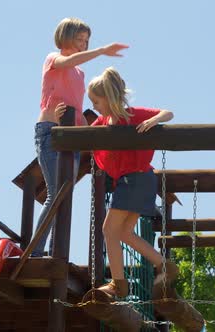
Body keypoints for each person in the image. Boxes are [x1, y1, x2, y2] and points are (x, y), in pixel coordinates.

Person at [69, 67, 177, 298]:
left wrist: (154, 120)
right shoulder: (103, 120)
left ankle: (119, 284)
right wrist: (66, 118)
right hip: (137, 180)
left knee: (109, 229)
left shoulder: (131, 115)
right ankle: (164, 264)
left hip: (136, 179)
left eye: (96, 101)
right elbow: (85, 134)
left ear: (108, 98)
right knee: (125, 233)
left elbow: (168, 113)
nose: (95, 106)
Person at [32, 17, 128, 257]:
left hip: (72, 138)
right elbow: (68, 61)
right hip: (52, 132)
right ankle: (35, 251)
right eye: (79, 39)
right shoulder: (54, 59)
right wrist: (102, 51)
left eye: (86, 41)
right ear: (65, 37)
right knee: (56, 192)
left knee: (65, 194)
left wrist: (91, 129)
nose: (83, 44)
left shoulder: (80, 72)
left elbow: (76, 104)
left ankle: (56, 252)